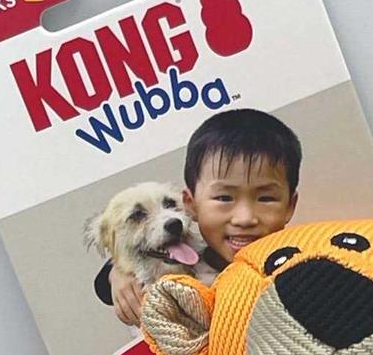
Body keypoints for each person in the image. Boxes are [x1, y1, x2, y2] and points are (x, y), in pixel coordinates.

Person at [96, 108, 302, 325]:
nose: (244, 218)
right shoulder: (200, 259)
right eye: (224, 198)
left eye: (265, 198)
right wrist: (116, 272)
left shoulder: (301, 267)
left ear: (290, 206)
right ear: (190, 205)